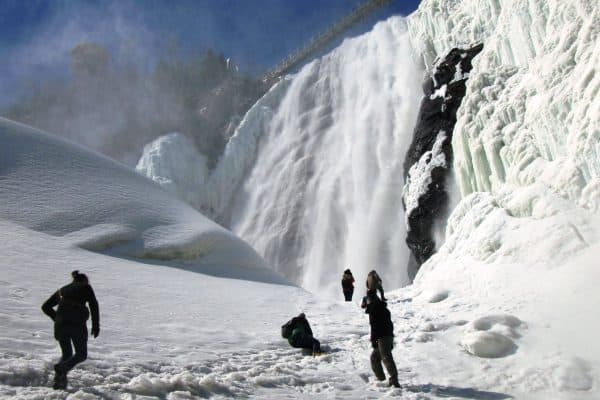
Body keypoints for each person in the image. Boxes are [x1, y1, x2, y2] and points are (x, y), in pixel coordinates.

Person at [42, 270, 100, 390]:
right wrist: (96, 325)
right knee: (81, 354)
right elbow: (93, 305)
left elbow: (45, 306)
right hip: (76, 325)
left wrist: (57, 318)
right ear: (85, 281)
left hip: (60, 326)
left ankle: (59, 384)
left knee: (67, 354)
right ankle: (61, 369)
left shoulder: (62, 290)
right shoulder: (86, 287)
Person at [363, 290, 400, 388]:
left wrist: (374, 340)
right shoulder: (383, 309)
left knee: (386, 358)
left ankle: (394, 381)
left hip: (382, 338)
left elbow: (374, 327)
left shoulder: (374, 310)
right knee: (375, 358)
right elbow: (389, 324)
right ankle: (382, 379)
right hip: (387, 336)